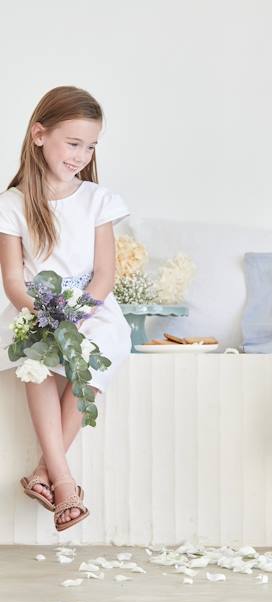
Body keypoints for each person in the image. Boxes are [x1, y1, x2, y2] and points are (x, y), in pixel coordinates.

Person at [0, 86, 131, 531]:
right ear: (39, 134)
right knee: (34, 360)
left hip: (91, 308)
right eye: (73, 143)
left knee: (92, 354)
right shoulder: (13, 204)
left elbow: (104, 277)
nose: (81, 154)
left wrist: (76, 315)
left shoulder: (98, 200)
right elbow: (15, 281)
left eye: (90, 146)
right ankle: (64, 481)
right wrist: (43, 316)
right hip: (35, 307)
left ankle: (46, 474)